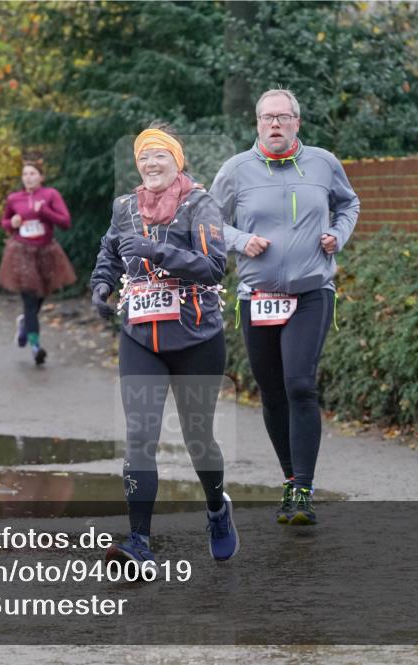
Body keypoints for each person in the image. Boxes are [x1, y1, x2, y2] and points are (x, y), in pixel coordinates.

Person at [209, 88, 360, 526]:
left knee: (300, 385)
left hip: (311, 292)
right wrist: (241, 240)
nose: (274, 124)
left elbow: (348, 203)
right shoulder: (236, 169)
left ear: (297, 122)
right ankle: (290, 479)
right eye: (266, 117)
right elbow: (209, 220)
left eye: (282, 117)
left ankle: (304, 490)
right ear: (257, 123)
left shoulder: (323, 163)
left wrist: (338, 235)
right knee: (272, 392)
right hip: (256, 298)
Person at [91, 124, 238, 566]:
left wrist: (156, 251)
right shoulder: (124, 207)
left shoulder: (199, 204)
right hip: (141, 337)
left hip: (196, 337)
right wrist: (101, 285)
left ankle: (216, 509)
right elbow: (110, 251)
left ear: (177, 161)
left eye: (160, 155)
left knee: (198, 438)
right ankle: (138, 542)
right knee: (140, 437)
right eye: (144, 156)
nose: (151, 163)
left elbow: (214, 266)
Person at [0, 154, 76, 366]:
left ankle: (24, 323)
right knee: (30, 300)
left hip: (46, 252)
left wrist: (45, 211)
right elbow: (4, 222)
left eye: (33, 173)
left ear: (41, 177)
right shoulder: (14, 199)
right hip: (21, 252)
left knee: (41, 296)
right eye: (25, 174)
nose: (28, 177)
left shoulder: (50, 195)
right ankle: (35, 346)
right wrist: (11, 223)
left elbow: (65, 222)